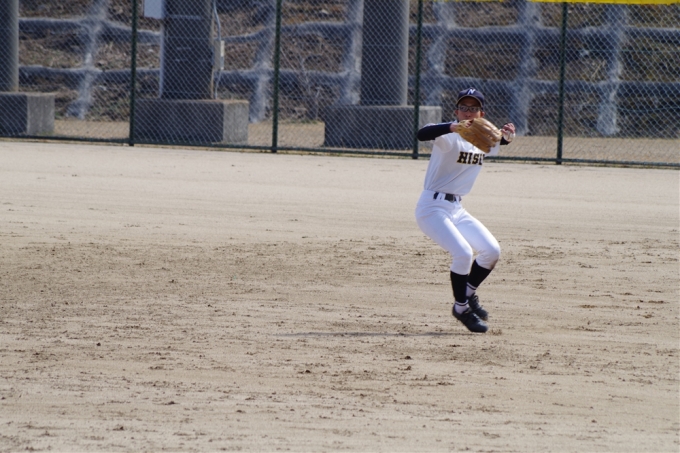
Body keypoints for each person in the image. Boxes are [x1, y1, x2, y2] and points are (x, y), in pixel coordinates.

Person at [415, 88, 516, 333]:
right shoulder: (448, 136)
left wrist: (507, 136)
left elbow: (498, 141)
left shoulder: (483, 138)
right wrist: (452, 127)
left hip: (457, 208)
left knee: (491, 251)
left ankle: (468, 294)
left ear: (482, 113)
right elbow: (422, 133)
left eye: (473, 108)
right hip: (432, 207)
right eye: (463, 108)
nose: (468, 112)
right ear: (456, 111)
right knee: (462, 253)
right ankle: (461, 308)